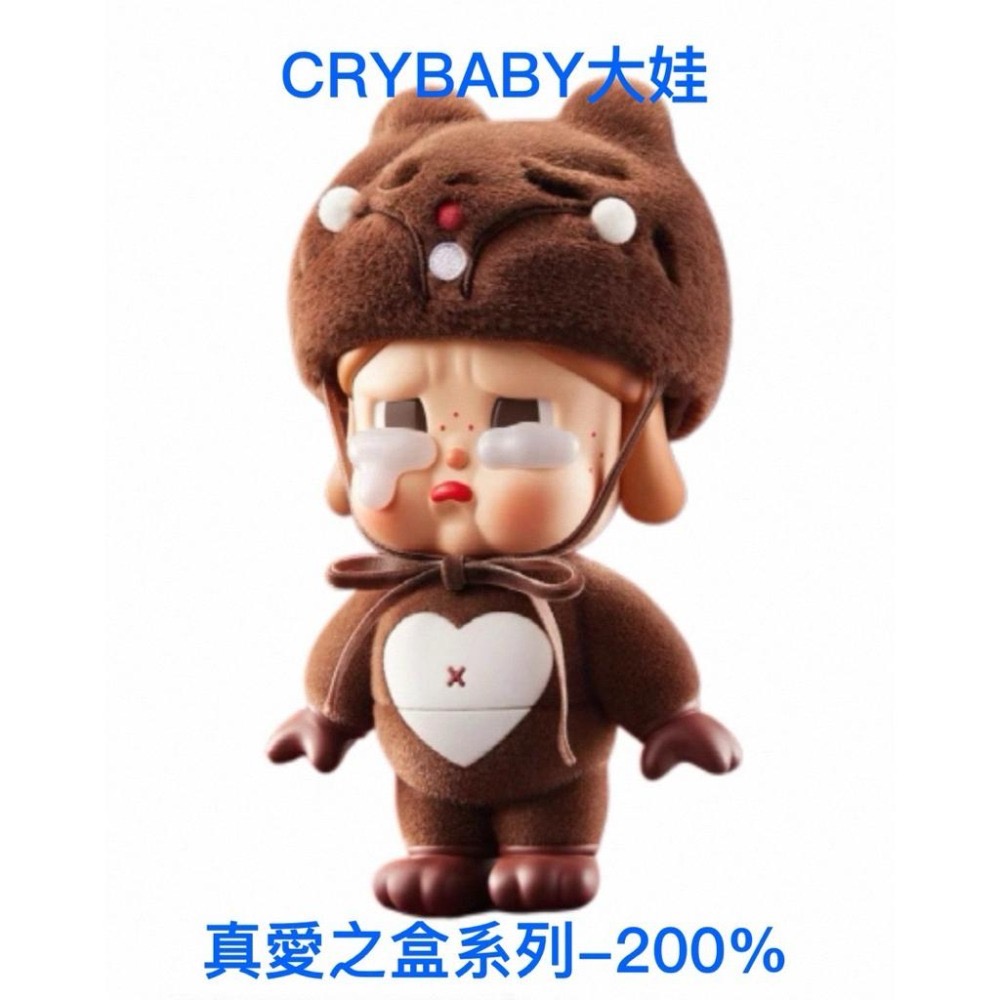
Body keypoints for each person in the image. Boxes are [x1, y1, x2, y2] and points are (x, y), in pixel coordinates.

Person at [267, 80, 741, 916]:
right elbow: (344, 657)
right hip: (426, 780)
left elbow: (640, 651)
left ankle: (550, 843)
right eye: (401, 418)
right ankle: (437, 847)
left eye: (517, 416)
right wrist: (327, 717)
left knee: (552, 810)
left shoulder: (575, 599)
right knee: (431, 807)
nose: (453, 457)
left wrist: (672, 717)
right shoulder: (391, 597)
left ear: (633, 440)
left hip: (553, 778)